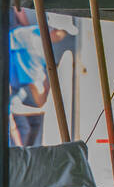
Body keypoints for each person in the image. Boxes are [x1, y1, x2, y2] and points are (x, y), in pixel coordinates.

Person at [7, 19, 76, 147]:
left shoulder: (32, 32)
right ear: (56, 31)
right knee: (24, 128)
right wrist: (44, 106)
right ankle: (18, 161)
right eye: (64, 32)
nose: (63, 37)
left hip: (13, 85)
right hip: (9, 86)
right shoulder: (35, 49)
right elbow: (39, 97)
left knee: (28, 124)